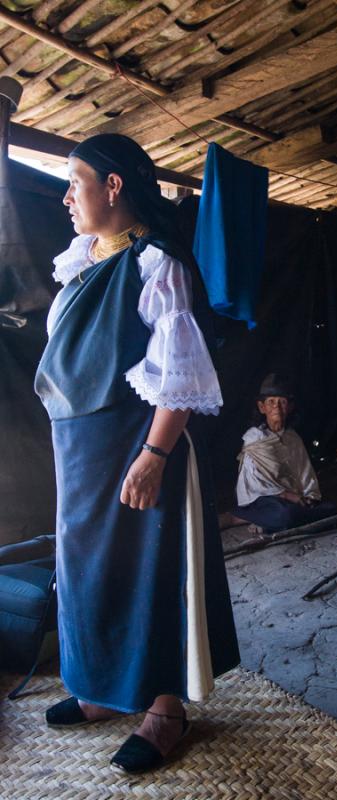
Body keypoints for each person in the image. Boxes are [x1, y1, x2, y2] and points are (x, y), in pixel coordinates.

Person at [34, 134, 239, 773]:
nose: (68, 196)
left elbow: (180, 375)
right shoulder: (80, 261)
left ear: (114, 186)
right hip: (81, 454)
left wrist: (153, 455)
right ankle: (105, 691)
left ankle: (163, 708)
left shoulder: (156, 264)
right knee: (90, 574)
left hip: (137, 449)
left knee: (151, 572)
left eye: (77, 181)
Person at [230, 373, 337, 533]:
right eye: (271, 402)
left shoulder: (293, 438)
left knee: (331, 509)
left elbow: (304, 472)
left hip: (294, 498)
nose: (277, 408)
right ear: (262, 407)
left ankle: (267, 523)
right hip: (264, 499)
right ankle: (247, 517)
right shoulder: (255, 439)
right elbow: (257, 484)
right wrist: (287, 496)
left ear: (290, 407)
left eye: (283, 402)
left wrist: (309, 496)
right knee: (286, 515)